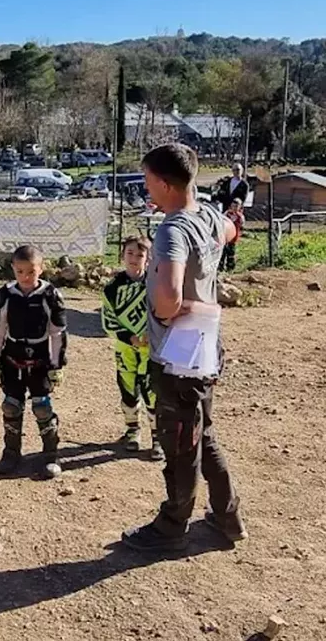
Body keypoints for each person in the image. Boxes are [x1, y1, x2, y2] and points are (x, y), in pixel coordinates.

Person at [122, 143, 244, 553]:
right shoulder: (207, 213)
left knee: (180, 445)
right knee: (201, 434)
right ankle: (228, 518)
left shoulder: (173, 230)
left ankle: (172, 526)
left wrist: (183, 305)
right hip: (206, 351)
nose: (145, 187)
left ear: (166, 183)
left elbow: (168, 300)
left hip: (178, 356)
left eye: (147, 180)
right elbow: (231, 228)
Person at [0, 245, 68, 479]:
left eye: (31, 272)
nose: (25, 277)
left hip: (40, 360)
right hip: (12, 359)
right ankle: (11, 452)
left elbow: (58, 333)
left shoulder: (50, 295)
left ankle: (50, 455)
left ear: (41, 269)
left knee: (42, 407)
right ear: (13, 269)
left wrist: (57, 366)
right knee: (11, 405)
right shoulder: (4, 295)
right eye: (20, 271)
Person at [102, 236, 162, 460]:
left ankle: (158, 436)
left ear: (148, 259)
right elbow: (108, 321)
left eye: (140, 255)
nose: (134, 259)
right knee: (128, 390)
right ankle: (132, 430)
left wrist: (151, 334)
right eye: (130, 254)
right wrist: (129, 337)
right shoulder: (111, 289)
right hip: (125, 350)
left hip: (151, 349)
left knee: (153, 392)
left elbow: (164, 313)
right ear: (122, 255)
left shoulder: (156, 284)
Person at [221, 198, 244, 273]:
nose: (234, 208)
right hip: (225, 236)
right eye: (233, 206)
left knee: (231, 252)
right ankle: (220, 266)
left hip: (233, 237)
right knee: (223, 252)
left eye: (236, 206)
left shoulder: (239, 216)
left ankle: (230, 267)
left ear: (239, 207)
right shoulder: (227, 213)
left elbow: (242, 224)